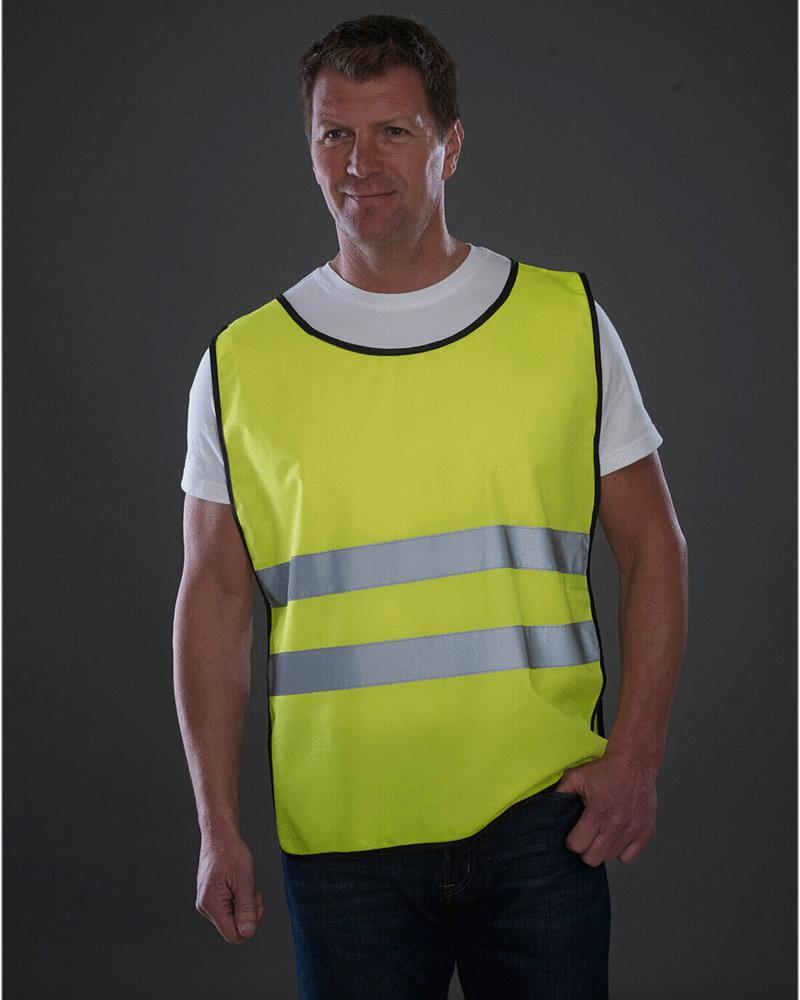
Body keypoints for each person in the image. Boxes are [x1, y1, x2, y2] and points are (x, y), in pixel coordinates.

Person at [173, 13, 688, 1000]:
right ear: (308, 147)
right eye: (334, 133)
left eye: (393, 132)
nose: (359, 163)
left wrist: (636, 757)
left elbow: (654, 546)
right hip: (343, 841)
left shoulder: (563, 324)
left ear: (450, 145)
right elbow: (214, 598)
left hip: (540, 821)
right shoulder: (241, 365)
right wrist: (215, 823)